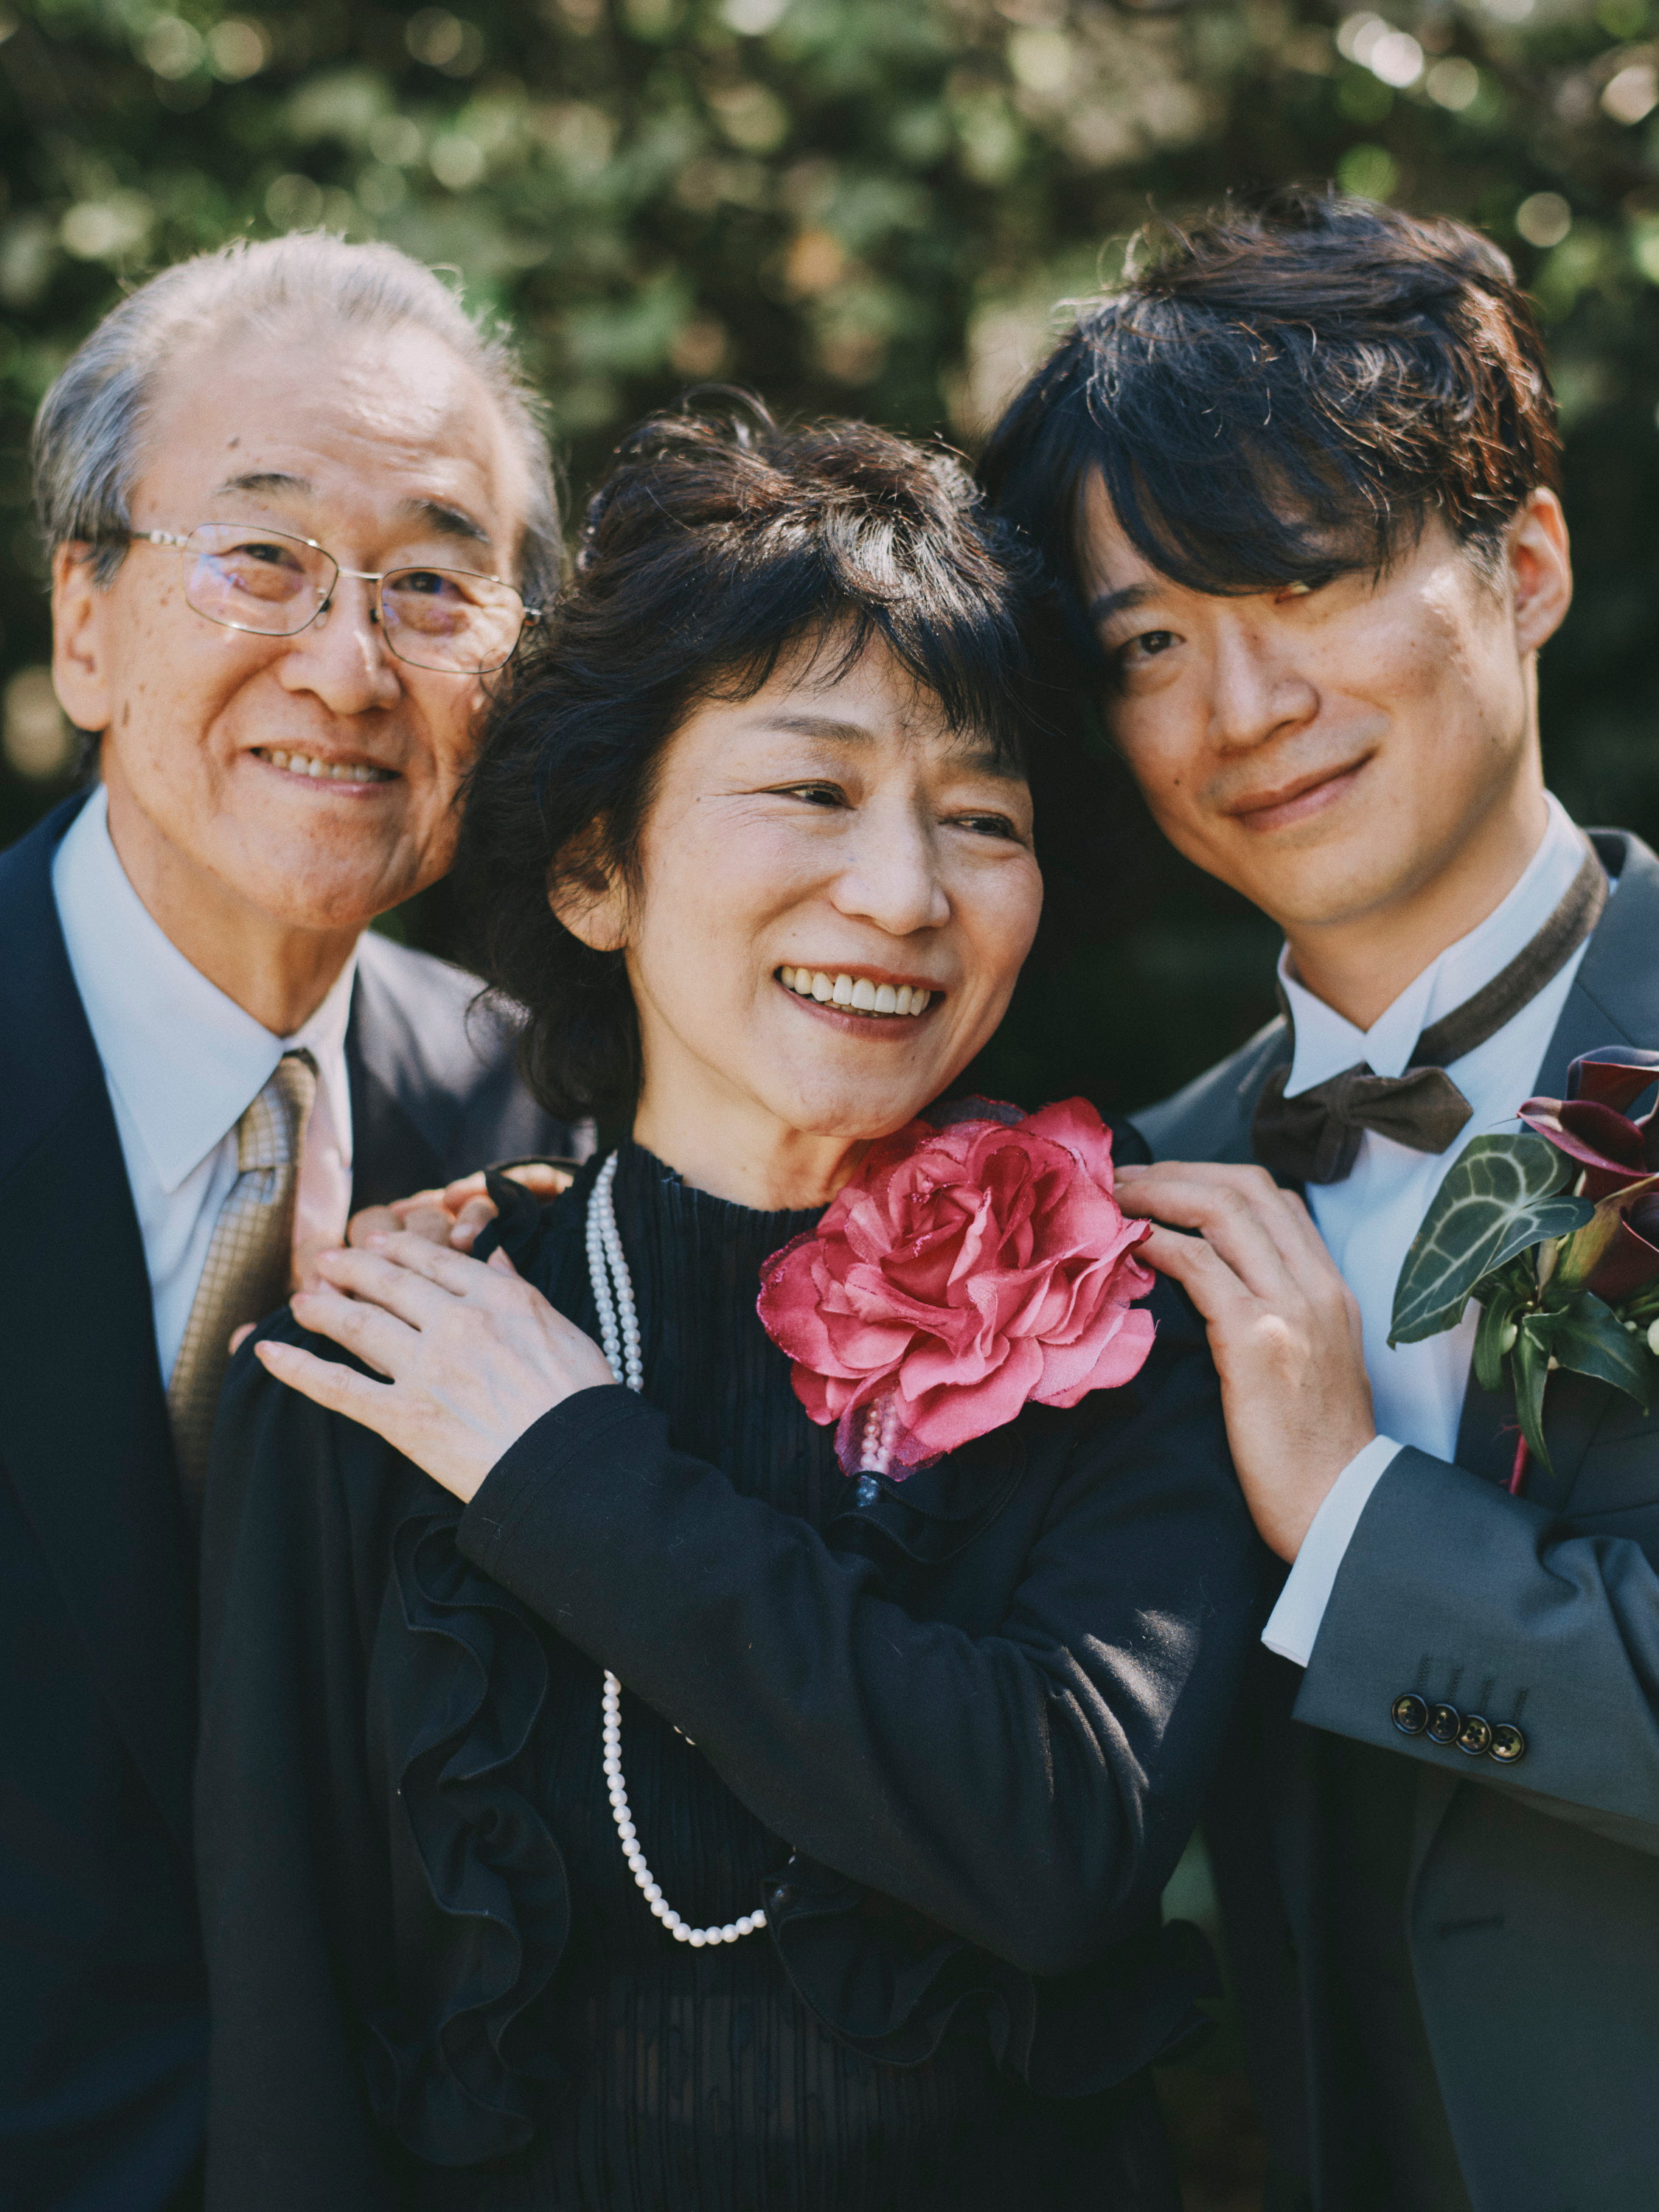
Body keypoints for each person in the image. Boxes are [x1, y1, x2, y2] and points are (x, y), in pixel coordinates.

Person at [194, 403, 1263, 2211]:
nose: (905, 892)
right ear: (597, 869)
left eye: (981, 814)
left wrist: (567, 1469)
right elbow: (291, 2028)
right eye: (814, 787)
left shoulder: (1119, 1321)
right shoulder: (383, 1349)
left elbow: (1060, 1845)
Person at [982, 189, 1659, 2211]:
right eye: (1151, 645)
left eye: (1303, 587)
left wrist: (1353, 1512)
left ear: (1523, 564)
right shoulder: (1114, 1206)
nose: (1242, 709)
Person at [1, 234, 584, 2212]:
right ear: (85, 619)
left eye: (433, 583)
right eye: (260, 560)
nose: (349, 666)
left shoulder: (558, 1125)